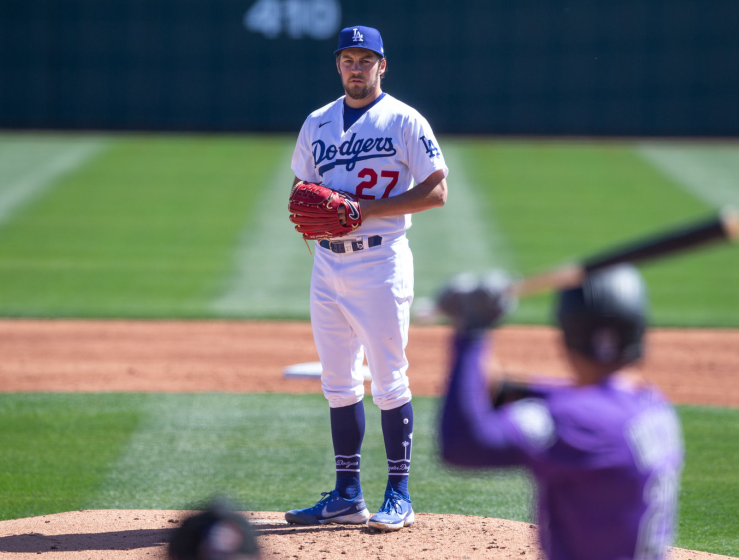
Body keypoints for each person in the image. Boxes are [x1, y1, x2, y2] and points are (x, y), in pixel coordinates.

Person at [285, 25, 449, 532]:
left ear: (382, 65)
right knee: (337, 382)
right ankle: (346, 494)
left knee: (389, 379)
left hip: (381, 263)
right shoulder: (316, 122)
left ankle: (398, 493)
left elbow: (437, 190)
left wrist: (364, 210)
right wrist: (318, 208)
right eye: (348, 59)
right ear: (338, 66)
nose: (357, 68)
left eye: (366, 59)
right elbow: (300, 189)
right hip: (327, 264)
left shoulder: (404, 119)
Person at [438, 265, 684, 560]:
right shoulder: (652, 407)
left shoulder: (580, 421)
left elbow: (463, 443)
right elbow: (512, 392)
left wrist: (472, 332)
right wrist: (469, 319)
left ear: (568, 335)